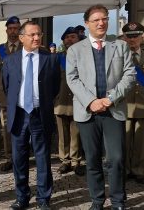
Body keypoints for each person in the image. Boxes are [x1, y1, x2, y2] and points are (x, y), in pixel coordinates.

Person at [66, 4, 136, 210]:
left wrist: (110, 98)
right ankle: (97, 200)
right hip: (87, 112)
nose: (101, 23)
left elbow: (130, 75)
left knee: (116, 158)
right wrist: (91, 101)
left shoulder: (120, 46)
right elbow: (73, 79)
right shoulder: (74, 50)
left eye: (104, 18)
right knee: (93, 160)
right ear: (87, 23)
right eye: (96, 20)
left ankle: (118, 201)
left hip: (113, 110)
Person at [3, 21, 60, 210]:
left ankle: (43, 199)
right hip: (19, 116)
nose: (37, 38)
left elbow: (55, 87)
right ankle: (22, 197)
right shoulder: (10, 60)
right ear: (21, 38)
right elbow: (7, 86)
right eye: (32, 35)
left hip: (39, 115)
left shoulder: (50, 59)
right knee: (19, 160)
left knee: (43, 159)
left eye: (39, 34)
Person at [54, 27, 84, 176]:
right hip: (60, 101)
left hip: (78, 102)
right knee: (62, 134)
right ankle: (65, 161)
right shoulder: (57, 58)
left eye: (73, 37)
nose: (69, 40)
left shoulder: (85, 57)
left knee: (76, 133)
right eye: (67, 38)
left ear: (78, 39)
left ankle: (76, 161)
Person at [0, 16, 22, 172]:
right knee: (6, 129)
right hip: (4, 97)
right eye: (10, 28)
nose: (13, 31)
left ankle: (21, 156)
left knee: (22, 127)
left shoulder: (25, 48)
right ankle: (9, 157)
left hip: (22, 96)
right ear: (6, 30)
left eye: (16, 28)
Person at [122, 22, 144, 184]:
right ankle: (124, 169)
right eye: (129, 36)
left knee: (141, 142)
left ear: (142, 37)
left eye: (135, 36)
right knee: (124, 139)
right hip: (125, 104)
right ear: (124, 37)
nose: (132, 39)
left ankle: (139, 170)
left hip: (143, 105)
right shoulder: (119, 56)